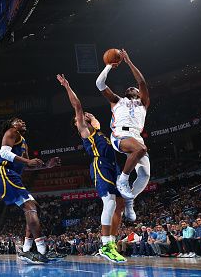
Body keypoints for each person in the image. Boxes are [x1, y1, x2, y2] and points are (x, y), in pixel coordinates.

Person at [57, 74, 126, 263]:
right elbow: (78, 107)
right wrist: (67, 86)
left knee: (120, 206)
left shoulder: (98, 131)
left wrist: (94, 118)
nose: (87, 114)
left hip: (113, 166)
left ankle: (112, 243)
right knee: (110, 202)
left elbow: (97, 122)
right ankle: (105, 245)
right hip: (100, 164)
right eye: (84, 116)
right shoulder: (84, 130)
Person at [0, 117, 60, 264]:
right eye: (19, 120)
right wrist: (28, 161)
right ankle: (42, 251)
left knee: (35, 208)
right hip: (3, 172)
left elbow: (27, 166)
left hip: (13, 175)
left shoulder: (24, 142)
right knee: (30, 206)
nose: (23, 122)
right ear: (12, 124)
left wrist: (46, 166)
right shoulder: (11, 132)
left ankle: (27, 250)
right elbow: (4, 153)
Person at [95, 49, 150, 221]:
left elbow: (141, 81)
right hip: (120, 135)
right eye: (129, 88)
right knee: (141, 149)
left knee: (145, 175)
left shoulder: (143, 102)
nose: (131, 87)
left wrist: (128, 61)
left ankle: (129, 201)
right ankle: (123, 179)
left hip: (136, 137)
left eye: (133, 88)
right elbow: (99, 84)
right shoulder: (117, 101)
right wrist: (108, 67)